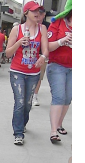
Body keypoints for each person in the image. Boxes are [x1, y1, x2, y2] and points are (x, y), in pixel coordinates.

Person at [6, 1, 49, 145]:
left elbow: (45, 49)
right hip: (17, 71)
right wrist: (19, 42)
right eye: (34, 11)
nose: (38, 14)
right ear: (26, 13)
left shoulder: (42, 28)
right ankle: (18, 133)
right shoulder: (17, 29)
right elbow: (7, 53)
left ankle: (22, 123)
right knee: (20, 102)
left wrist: (42, 57)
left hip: (33, 73)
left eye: (40, 11)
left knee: (28, 103)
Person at [46, 0, 72, 144]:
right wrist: (62, 41)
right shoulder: (58, 23)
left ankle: (59, 124)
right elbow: (48, 46)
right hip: (57, 65)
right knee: (59, 97)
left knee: (68, 98)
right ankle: (53, 131)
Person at [32, 7, 50, 106]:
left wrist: (44, 55)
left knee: (39, 76)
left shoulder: (48, 26)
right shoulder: (30, 24)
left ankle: (34, 96)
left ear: (44, 15)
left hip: (42, 55)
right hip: (30, 54)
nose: (38, 16)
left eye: (40, 14)